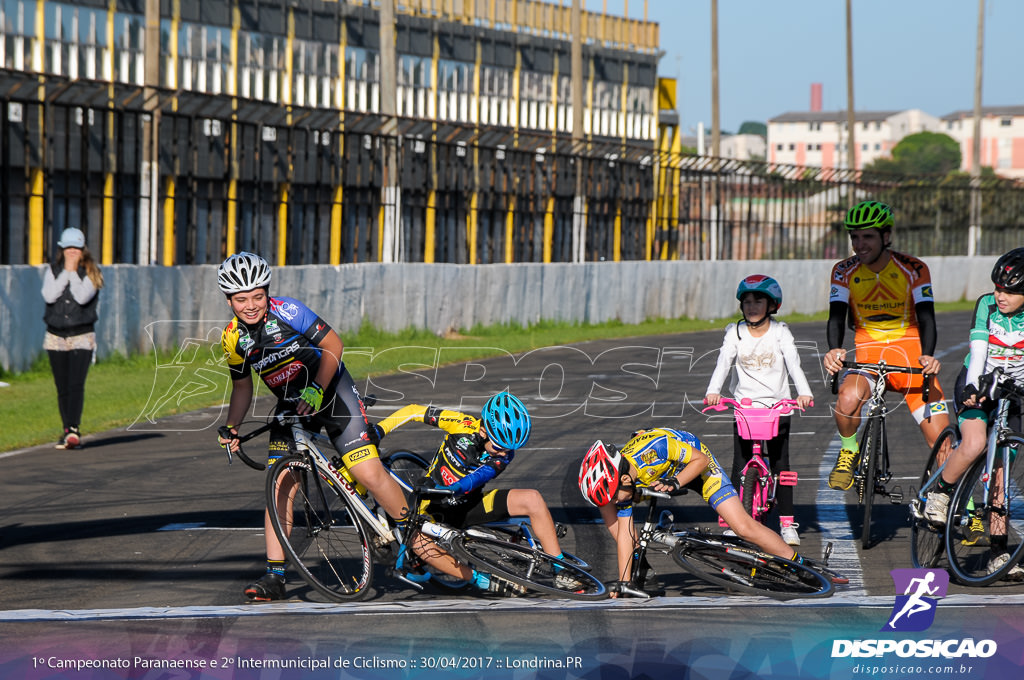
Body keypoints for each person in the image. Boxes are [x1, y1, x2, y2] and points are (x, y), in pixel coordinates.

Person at [214, 252, 410, 601]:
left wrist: (317, 388)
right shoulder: (233, 339)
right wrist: (231, 427)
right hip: (292, 406)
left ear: (267, 292)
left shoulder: (288, 311)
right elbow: (242, 386)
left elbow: (334, 344)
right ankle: (275, 576)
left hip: (331, 391)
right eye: (241, 299)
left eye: (257, 296)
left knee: (366, 473)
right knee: (279, 488)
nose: (250, 305)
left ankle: (415, 537)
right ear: (229, 299)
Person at [374, 392, 580, 595]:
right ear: (483, 431)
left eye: (509, 449)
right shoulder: (460, 423)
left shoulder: (504, 453)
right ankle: (480, 580)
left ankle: (560, 568)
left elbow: (482, 475)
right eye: (499, 447)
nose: (504, 454)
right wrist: (380, 430)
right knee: (417, 543)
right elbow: (412, 411)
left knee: (532, 498)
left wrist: (458, 487)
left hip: (470, 504)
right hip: (433, 509)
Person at [577, 427, 808, 596]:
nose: (613, 502)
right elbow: (624, 534)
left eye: (613, 496)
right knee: (623, 527)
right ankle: (640, 568)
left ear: (624, 479)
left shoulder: (656, 448)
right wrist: (624, 583)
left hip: (697, 467)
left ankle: (799, 564)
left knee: (743, 527)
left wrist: (677, 482)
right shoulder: (625, 482)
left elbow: (701, 460)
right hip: (659, 477)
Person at [822, 200, 950, 491]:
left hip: (912, 362)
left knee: (942, 442)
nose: (859, 244)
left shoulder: (914, 268)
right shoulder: (843, 271)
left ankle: (964, 506)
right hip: (868, 358)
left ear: (886, 237)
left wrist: (928, 356)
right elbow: (836, 317)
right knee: (847, 397)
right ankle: (848, 450)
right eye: (854, 237)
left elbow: (928, 319)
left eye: (867, 236)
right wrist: (834, 348)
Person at [922, 248, 1024, 579]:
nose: (1000, 295)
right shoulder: (987, 306)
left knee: (1000, 474)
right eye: (997, 288)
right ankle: (940, 494)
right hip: (978, 383)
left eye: (1009, 290)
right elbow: (978, 349)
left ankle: (998, 552)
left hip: (1015, 393)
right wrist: (971, 388)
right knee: (975, 443)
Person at [704, 274, 814, 546]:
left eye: (759, 301)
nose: (752, 307)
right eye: (747, 301)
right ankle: (734, 522)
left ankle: (787, 523)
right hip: (745, 406)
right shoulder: (735, 332)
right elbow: (723, 362)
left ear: (772, 305)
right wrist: (712, 391)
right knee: (739, 465)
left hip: (779, 407)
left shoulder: (780, 332)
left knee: (781, 465)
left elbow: (794, 364)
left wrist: (804, 393)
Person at [42, 227, 103, 450]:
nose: (72, 252)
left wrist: (73, 272)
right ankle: (68, 429)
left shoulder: (92, 272)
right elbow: (49, 295)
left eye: (76, 248)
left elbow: (81, 296)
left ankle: (73, 429)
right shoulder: (52, 270)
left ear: (82, 249)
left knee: (76, 384)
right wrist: (65, 273)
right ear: (62, 248)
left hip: (81, 336)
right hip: (55, 335)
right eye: (68, 248)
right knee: (62, 385)